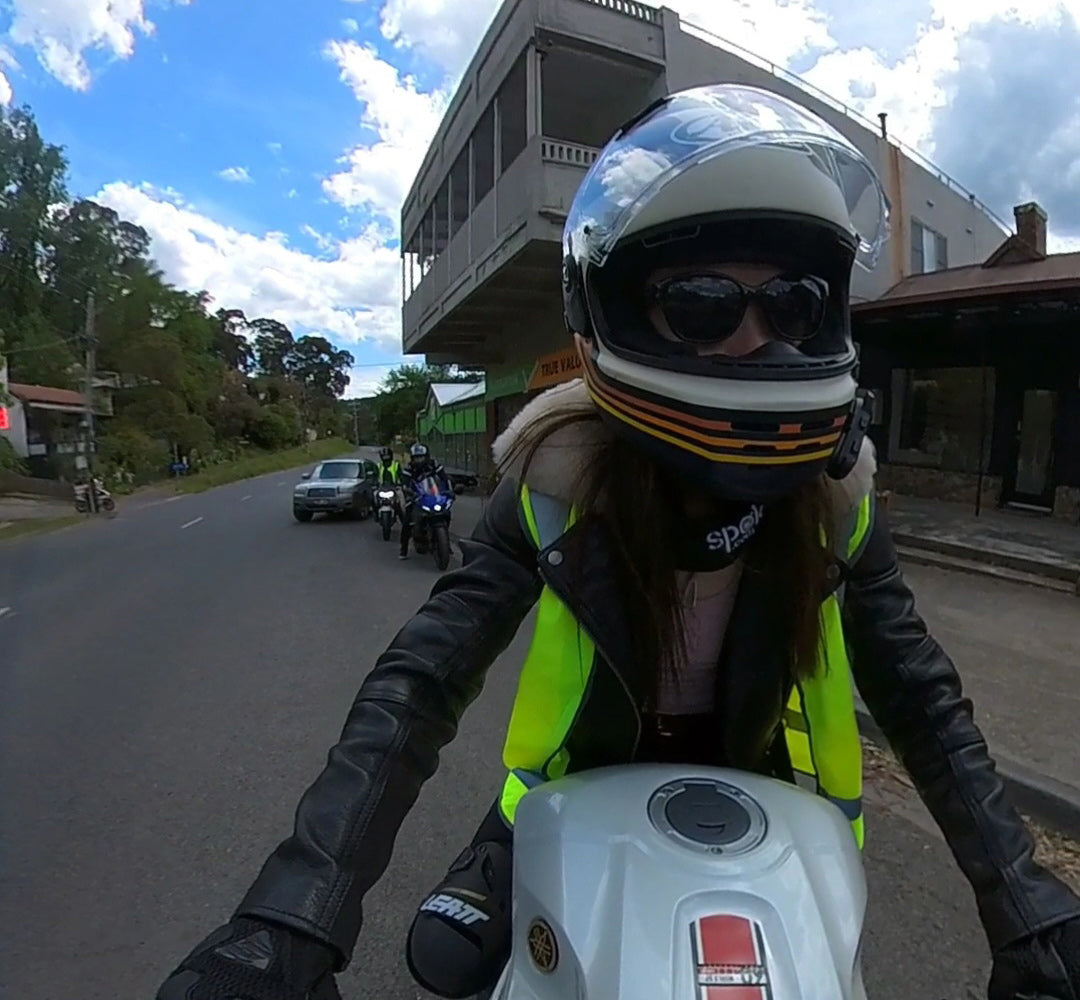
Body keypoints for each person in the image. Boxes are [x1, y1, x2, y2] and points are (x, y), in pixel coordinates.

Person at [157, 84, 1080, 1000]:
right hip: (562, 801)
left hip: (775, 803)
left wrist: (1031, 909)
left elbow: (924, 702)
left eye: (794, 303)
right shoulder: (554, 480)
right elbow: (419, 683)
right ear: (618, 311)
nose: (757, 340)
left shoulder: (838, 497)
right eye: (707, 302)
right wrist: (292, 912)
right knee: (462, 972)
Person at [397, 442, 452, 560]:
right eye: (416, 458)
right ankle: (403, 549)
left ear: (427, 457)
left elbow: (444, 478)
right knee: (407, 521)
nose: (419, 460)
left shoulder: (434, 464)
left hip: (433, 494)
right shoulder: (408, 468)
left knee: (446, 513)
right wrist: (408, 492)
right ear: (412, 458)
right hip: (416, 496)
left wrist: (449, 491)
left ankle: (446, 542)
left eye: (421, 457)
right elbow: (405, 484)